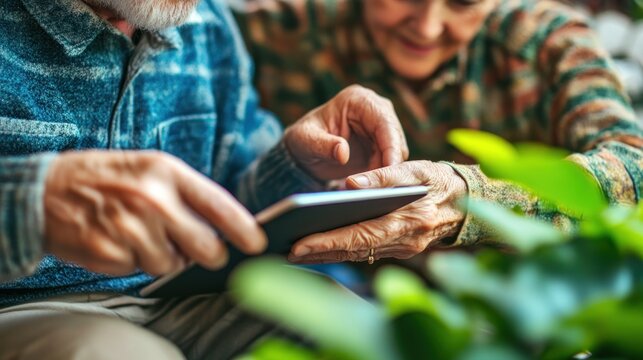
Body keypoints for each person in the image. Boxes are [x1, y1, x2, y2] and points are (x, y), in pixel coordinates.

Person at [0, 0, 410, 358]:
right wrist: (31, 201)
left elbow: (235, 211)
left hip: (179, 297)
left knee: (350, 328)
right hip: (25, 309)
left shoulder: (207, 23)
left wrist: (300, 166)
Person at [229, 0, 643, 264]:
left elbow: (634, 169)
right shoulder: (288, 28)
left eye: (463, 3)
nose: (427, 27)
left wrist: (470, 199)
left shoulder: (549, 46)